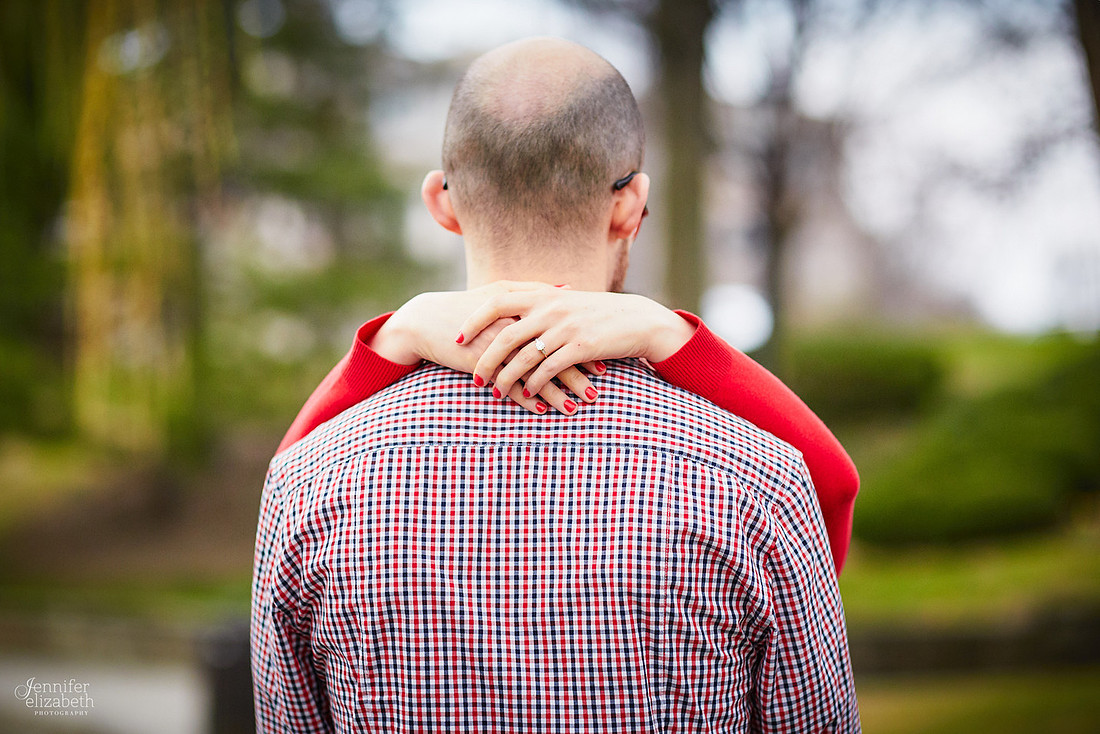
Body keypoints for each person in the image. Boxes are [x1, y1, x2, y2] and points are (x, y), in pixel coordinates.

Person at [252, 37, 860, 732]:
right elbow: (833, 486)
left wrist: (393, 336)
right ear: (630, 204)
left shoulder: (310, 483)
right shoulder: (760, 481)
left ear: (441, 203)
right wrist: (676, 337)